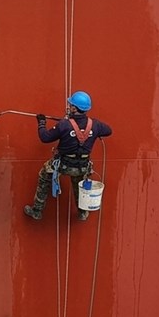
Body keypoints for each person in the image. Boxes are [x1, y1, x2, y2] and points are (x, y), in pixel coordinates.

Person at [24, 90, 112, 221]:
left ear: (75, 108)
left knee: (44, 176)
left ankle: (37, 210)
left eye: (71, 105)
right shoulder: (96, 125)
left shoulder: (64, 125)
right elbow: (108, 131)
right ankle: (82, 212)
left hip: (63, 165)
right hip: (82, 167)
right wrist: (91, 133)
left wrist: (41, 123)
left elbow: (45, 137)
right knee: (79, 186)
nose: (69, 107)